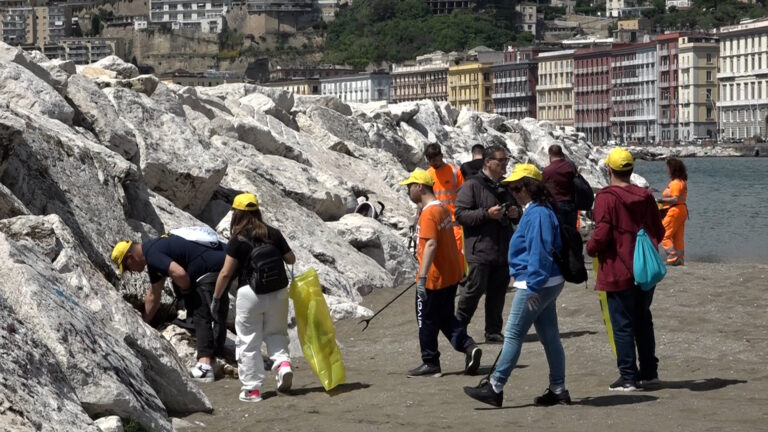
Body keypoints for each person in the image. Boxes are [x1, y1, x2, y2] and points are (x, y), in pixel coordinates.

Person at [463, 163, 570, 408]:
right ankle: (558, 388)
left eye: (519, 186)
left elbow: (539, 252)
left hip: (536, 283)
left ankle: (495, 386)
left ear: (532, 187)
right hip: (546, 281)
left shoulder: (539, 213)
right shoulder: (536, 210)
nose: (515, 191)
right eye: (512, 187)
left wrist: (533, 285)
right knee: (550, 336)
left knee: (512, 335)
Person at [586, 148, 665, 391]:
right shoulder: (645, 196)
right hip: (644, 269)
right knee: (643, 320)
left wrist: (590, 248)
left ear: (609, 169)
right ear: (631, 170)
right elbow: (659, 231)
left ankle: (628, 376)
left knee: (622, 324)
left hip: (617, 267)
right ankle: (649, 372)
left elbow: (602, 234)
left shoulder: (606, 197)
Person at [211, 193, 296, 402]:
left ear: (236, 214)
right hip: (278, 291)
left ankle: (252, 390)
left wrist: (216, 298)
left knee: (248, 342)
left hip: (250, 293)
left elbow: (225, 273)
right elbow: (291, 258)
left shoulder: (237, 241)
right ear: (257, 211)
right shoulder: (273, 233)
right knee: (276, 333)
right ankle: (283, 365)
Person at [111, 233, 227, 382]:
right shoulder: (153, 253)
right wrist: (143, 324)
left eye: (127, 267)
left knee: (200, 312)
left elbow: (180, 274)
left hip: (209, 268)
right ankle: (217, 353)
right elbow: (154, 295)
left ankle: (205, 366)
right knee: (215, 311)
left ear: (131, 257)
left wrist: (187, 292)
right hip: (223, 260)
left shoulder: (153, 255)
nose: (131, 271)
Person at [399, 169, 482, 378]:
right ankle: (468, 346)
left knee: (425, 318)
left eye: (410, 187)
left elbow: (431, 245)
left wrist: (423, 277)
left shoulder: (429, 213)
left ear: (419, 187)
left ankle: (430, 361)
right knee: (444, 316)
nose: (408, 191)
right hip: (450, 273)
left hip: (434, 278)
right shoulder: (443, 208)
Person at [454, 145, 518, 344]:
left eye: (506, 161)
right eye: (500, 161)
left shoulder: (504, 187)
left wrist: (515, 213)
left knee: (498, 293)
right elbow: (460, 214)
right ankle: (457, 328)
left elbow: (516, 211)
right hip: (480, 250)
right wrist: (486, 214)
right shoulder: (472, 185)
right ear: (488, 162)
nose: (504, 165)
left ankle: (493, 331)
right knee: (473, 290)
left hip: (502, 249)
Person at [424, 143, 465, 266]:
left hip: (454, 221)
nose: (433, 163)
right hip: (436, 221)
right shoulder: (428, 174)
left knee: (458, 251)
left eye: (435, 160)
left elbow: (464, 195)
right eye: (430, 160)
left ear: (441, 156)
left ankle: (460, 277)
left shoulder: (453, 172)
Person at [658, 157, 688, 266]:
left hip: (674, 210)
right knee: (678, 236)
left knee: (663, 234)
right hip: (682, 211)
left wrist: (660, 200)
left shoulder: (675, 183)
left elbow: (675, 198)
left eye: (668, 168)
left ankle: (672, 256)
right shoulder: (682, 181)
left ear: (673, 169)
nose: (667, 170)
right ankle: (680, 258)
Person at [542, 144, 578, 229]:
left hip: (556, 205)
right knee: (571, 233)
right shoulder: (571, 166)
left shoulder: (547, 170)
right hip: (571, 205)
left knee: (558, 233)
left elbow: (543, 188)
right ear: (561, 153)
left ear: (550, 155)